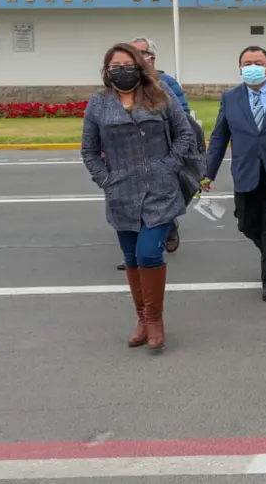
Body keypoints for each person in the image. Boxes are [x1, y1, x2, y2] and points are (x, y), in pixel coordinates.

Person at [80, 42, 196, 351]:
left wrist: (168, 167)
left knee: (148, 253)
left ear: (139, 67)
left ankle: (156, 319)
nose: (121, 71)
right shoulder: (98, 104)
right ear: (106, 72)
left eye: (127, 65)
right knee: (131, 258)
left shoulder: (160, 96)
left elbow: (185, 134)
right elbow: (89, 151)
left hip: (159, 190)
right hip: (121, 192)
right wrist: (106, 179)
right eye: (114, 66)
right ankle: (142, 319)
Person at [203, 46, 266, 301]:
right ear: (240, 68)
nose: (252, 66)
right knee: (248, 224)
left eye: (258, 62)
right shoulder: (230, 97)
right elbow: (219, 137)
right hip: (246, 171)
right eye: (247, 63)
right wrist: (207, 173)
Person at [109, 37, 189, 270]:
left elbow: (183, 120)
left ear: (151, 58)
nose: (135, 58)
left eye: (141, 53)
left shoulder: (166, 85)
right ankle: (134, 255)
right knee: (134, 209)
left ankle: (166, 229)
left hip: (161, 159)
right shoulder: (114, 91)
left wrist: (172, 162)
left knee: (158, 207)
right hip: (127, 170)